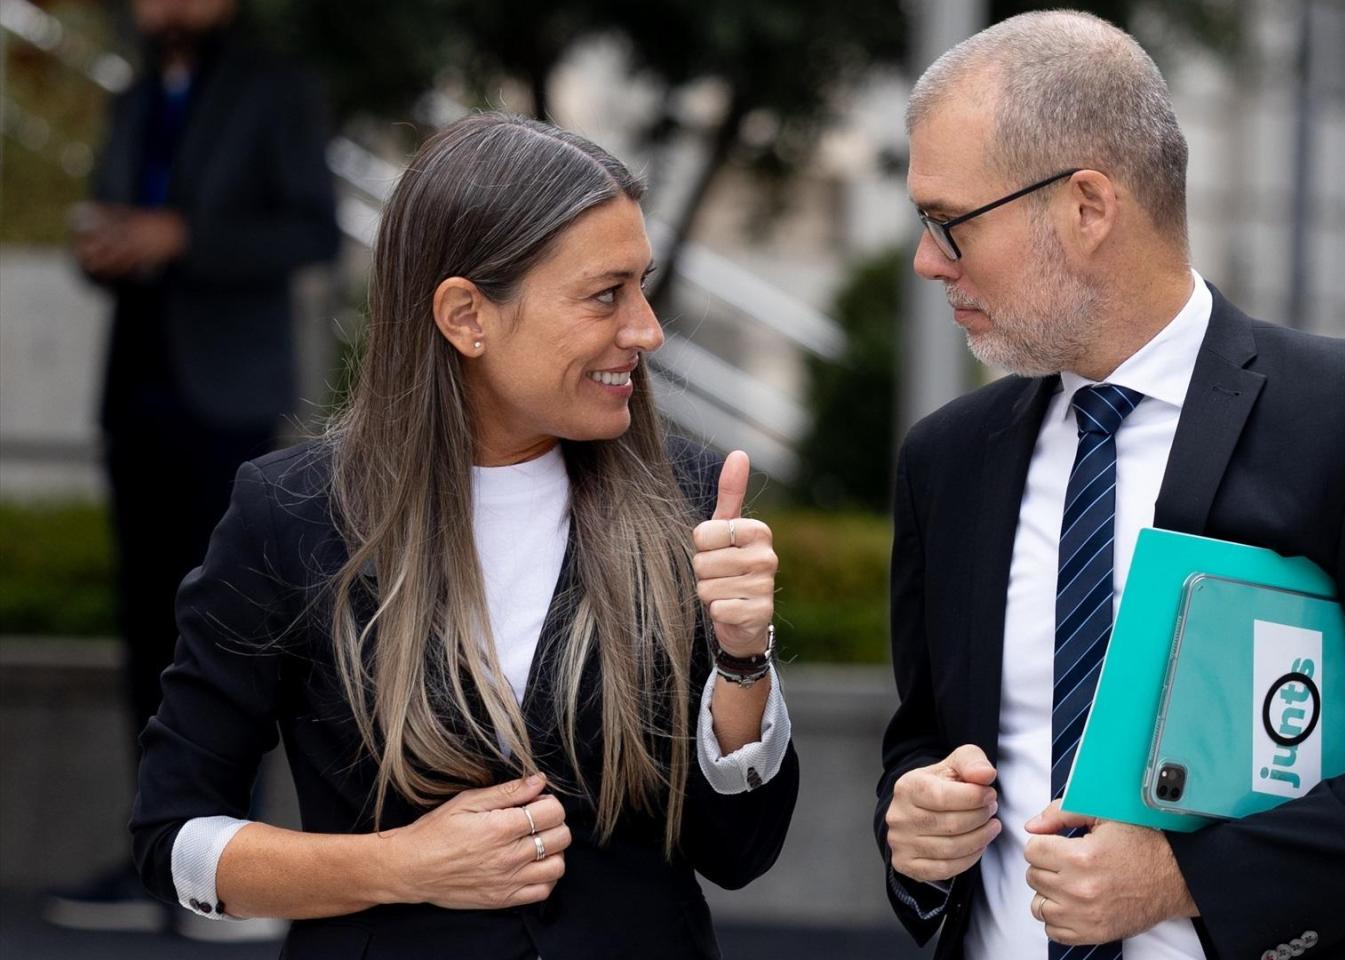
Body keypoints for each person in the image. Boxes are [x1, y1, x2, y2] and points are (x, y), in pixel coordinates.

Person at [876, 12, 1345, 960]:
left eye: (949, 223)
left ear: (1087, 207)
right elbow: (927, 740)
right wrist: (917, 820)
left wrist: (1188, 880)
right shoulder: (948, 461)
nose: (927, 259)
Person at [128, 113, 799, 958]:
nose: (646, 329)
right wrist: (397, 866)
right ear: (465, 316)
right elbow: (172, 840)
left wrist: (743, 658)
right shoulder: (290, 515)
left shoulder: (693, 499)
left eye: (643, 286)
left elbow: (740, 853)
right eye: (605, 294)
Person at [51, 0, 342, 934]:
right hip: (137, 392)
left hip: (230, 399)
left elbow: (314, 232)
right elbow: (109, 200)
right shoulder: (133, 95)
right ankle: (156, 863)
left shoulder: (277, 90)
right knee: (148, 623)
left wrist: (183, 238)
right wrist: (105, 244)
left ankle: (238, 865)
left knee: (236, 624)